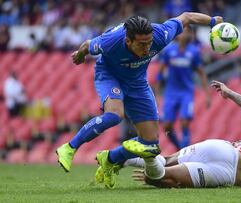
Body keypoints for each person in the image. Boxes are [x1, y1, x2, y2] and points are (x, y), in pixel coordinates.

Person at [55, 12, 223, 189]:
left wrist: (212, 21)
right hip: (109, 76)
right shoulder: (111, 41)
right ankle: (69, 148)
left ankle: (109, 159)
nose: (147, 48)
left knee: (150, 144)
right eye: (142, 44)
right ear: (128, 41)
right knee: (114, 115)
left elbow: (187, 17)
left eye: (149, 43)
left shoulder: (160, 35)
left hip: (137, 83)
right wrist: (80, 56)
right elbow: (88, 45)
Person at [96, 80, 241, 188]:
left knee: (166, 161)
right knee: (161, 177)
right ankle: (142, 158)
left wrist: (228, 93)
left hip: (221, 150)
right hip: (228, 174)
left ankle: (115, 158)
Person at [157, 26, 210, 150]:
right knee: (167, 127)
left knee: (184, 122)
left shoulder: (194, 52)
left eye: (188, 31)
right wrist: (158, 94)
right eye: (183, 31)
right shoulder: (169, 51)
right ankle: (179, 148)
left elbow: (201, 73)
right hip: (171, 93)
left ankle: (184, 152)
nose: (185, 34)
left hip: (186, 92)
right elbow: (160, 72)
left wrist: (207, 95)